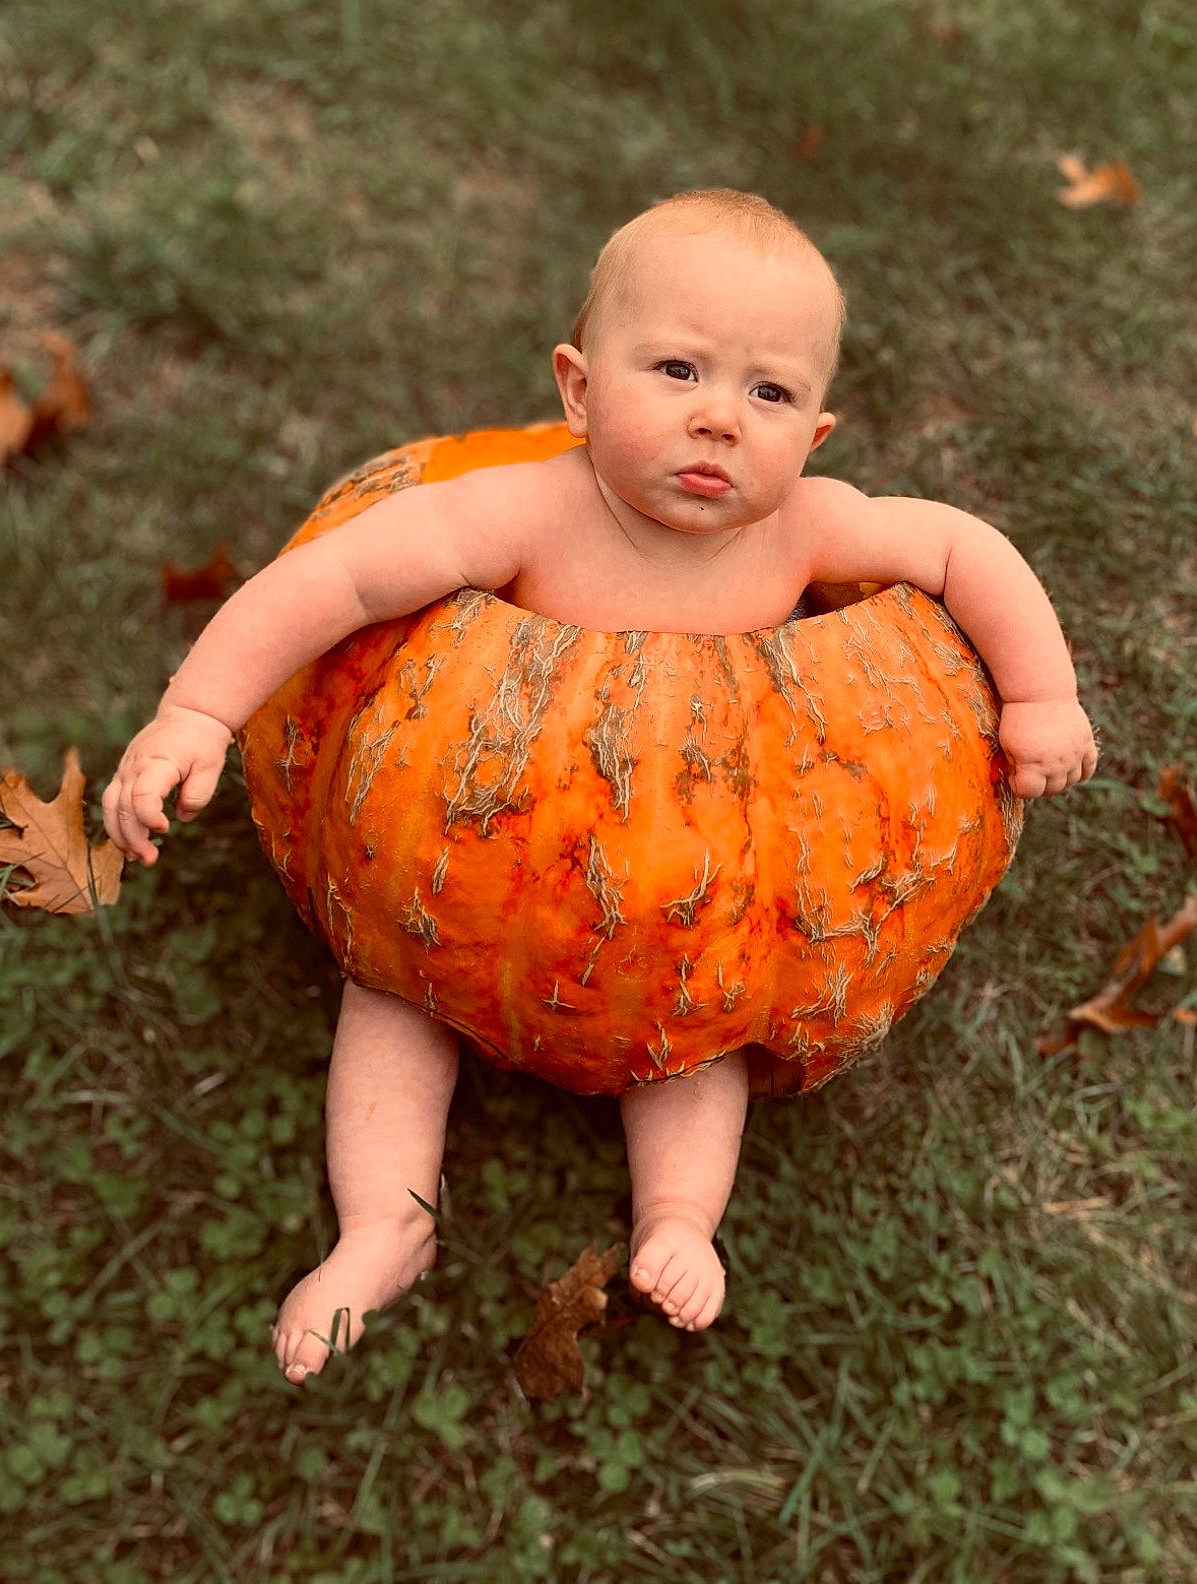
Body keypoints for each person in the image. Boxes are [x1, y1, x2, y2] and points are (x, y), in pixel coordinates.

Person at [101, 188, 1097, 1381]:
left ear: (817, 437)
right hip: (467, 898)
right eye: (676, 369)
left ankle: (677, 1218)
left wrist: (1042, 697)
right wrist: (197, 709)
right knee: (392, 1000)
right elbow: (339, 581)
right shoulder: (522, 510)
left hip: (690, 920)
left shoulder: (802, 533)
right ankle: (383, 1223)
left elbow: (961, 548)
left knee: (700, 1048)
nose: (719, 419)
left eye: (768, 391)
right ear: (578, 389)